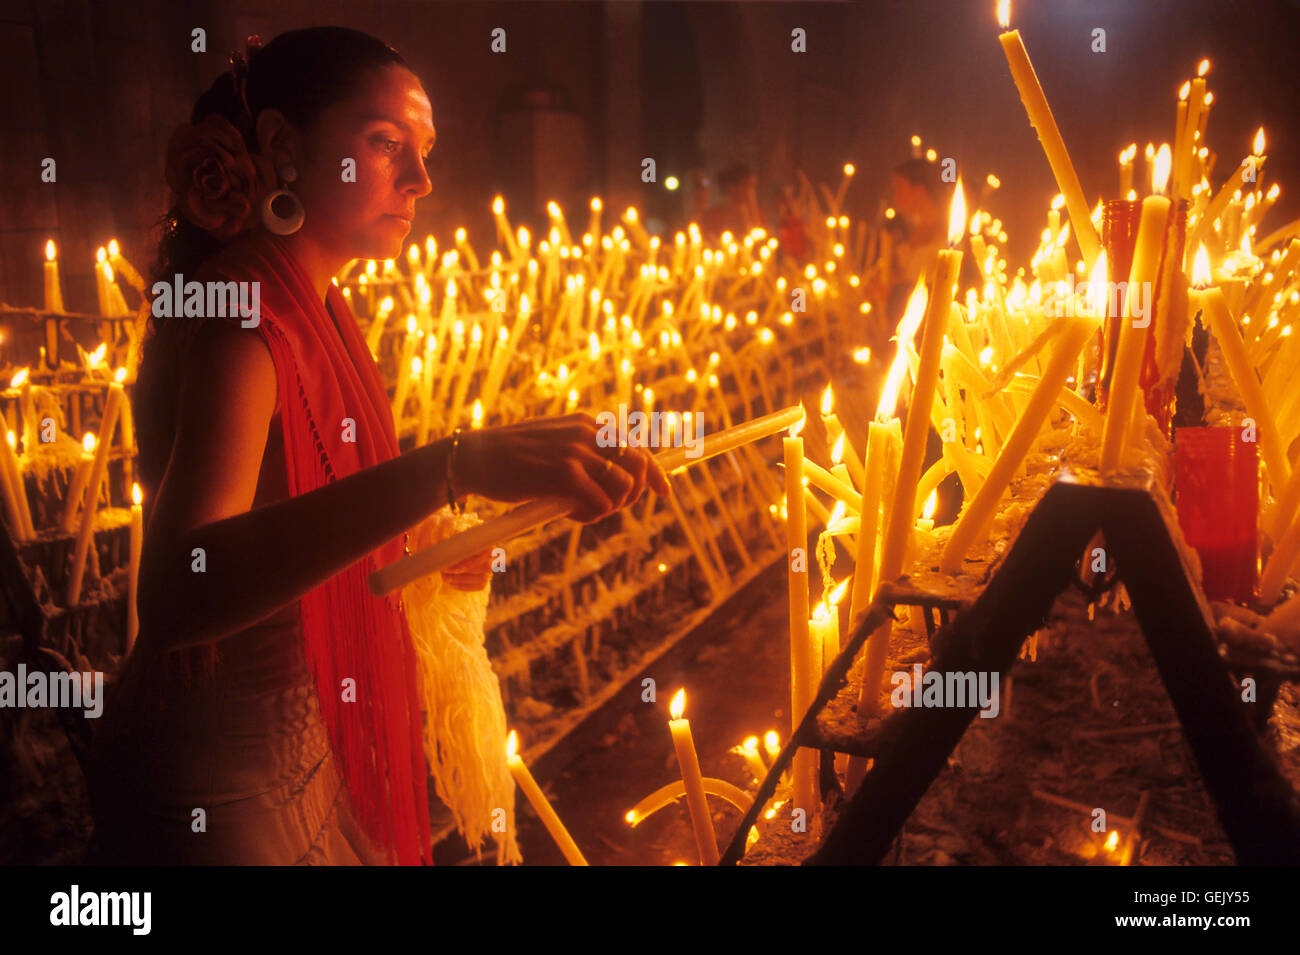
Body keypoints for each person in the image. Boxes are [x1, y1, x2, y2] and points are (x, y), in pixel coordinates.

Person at [83, 27, 669, 866]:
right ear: (284, 145)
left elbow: (300, 518)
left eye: (424, 151)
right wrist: (451, 466)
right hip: (219, 775)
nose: (421, 180)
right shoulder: (239, 314)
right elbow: (180, 586)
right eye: (386, 143)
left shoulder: (318, 306)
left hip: (306, 743)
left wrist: (439, 538)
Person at [701, 161, 761, 240]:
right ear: (731, 187)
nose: (750, 191)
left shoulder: (758, 215)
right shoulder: (713, 216)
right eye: (746, 185)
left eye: (752, 186)